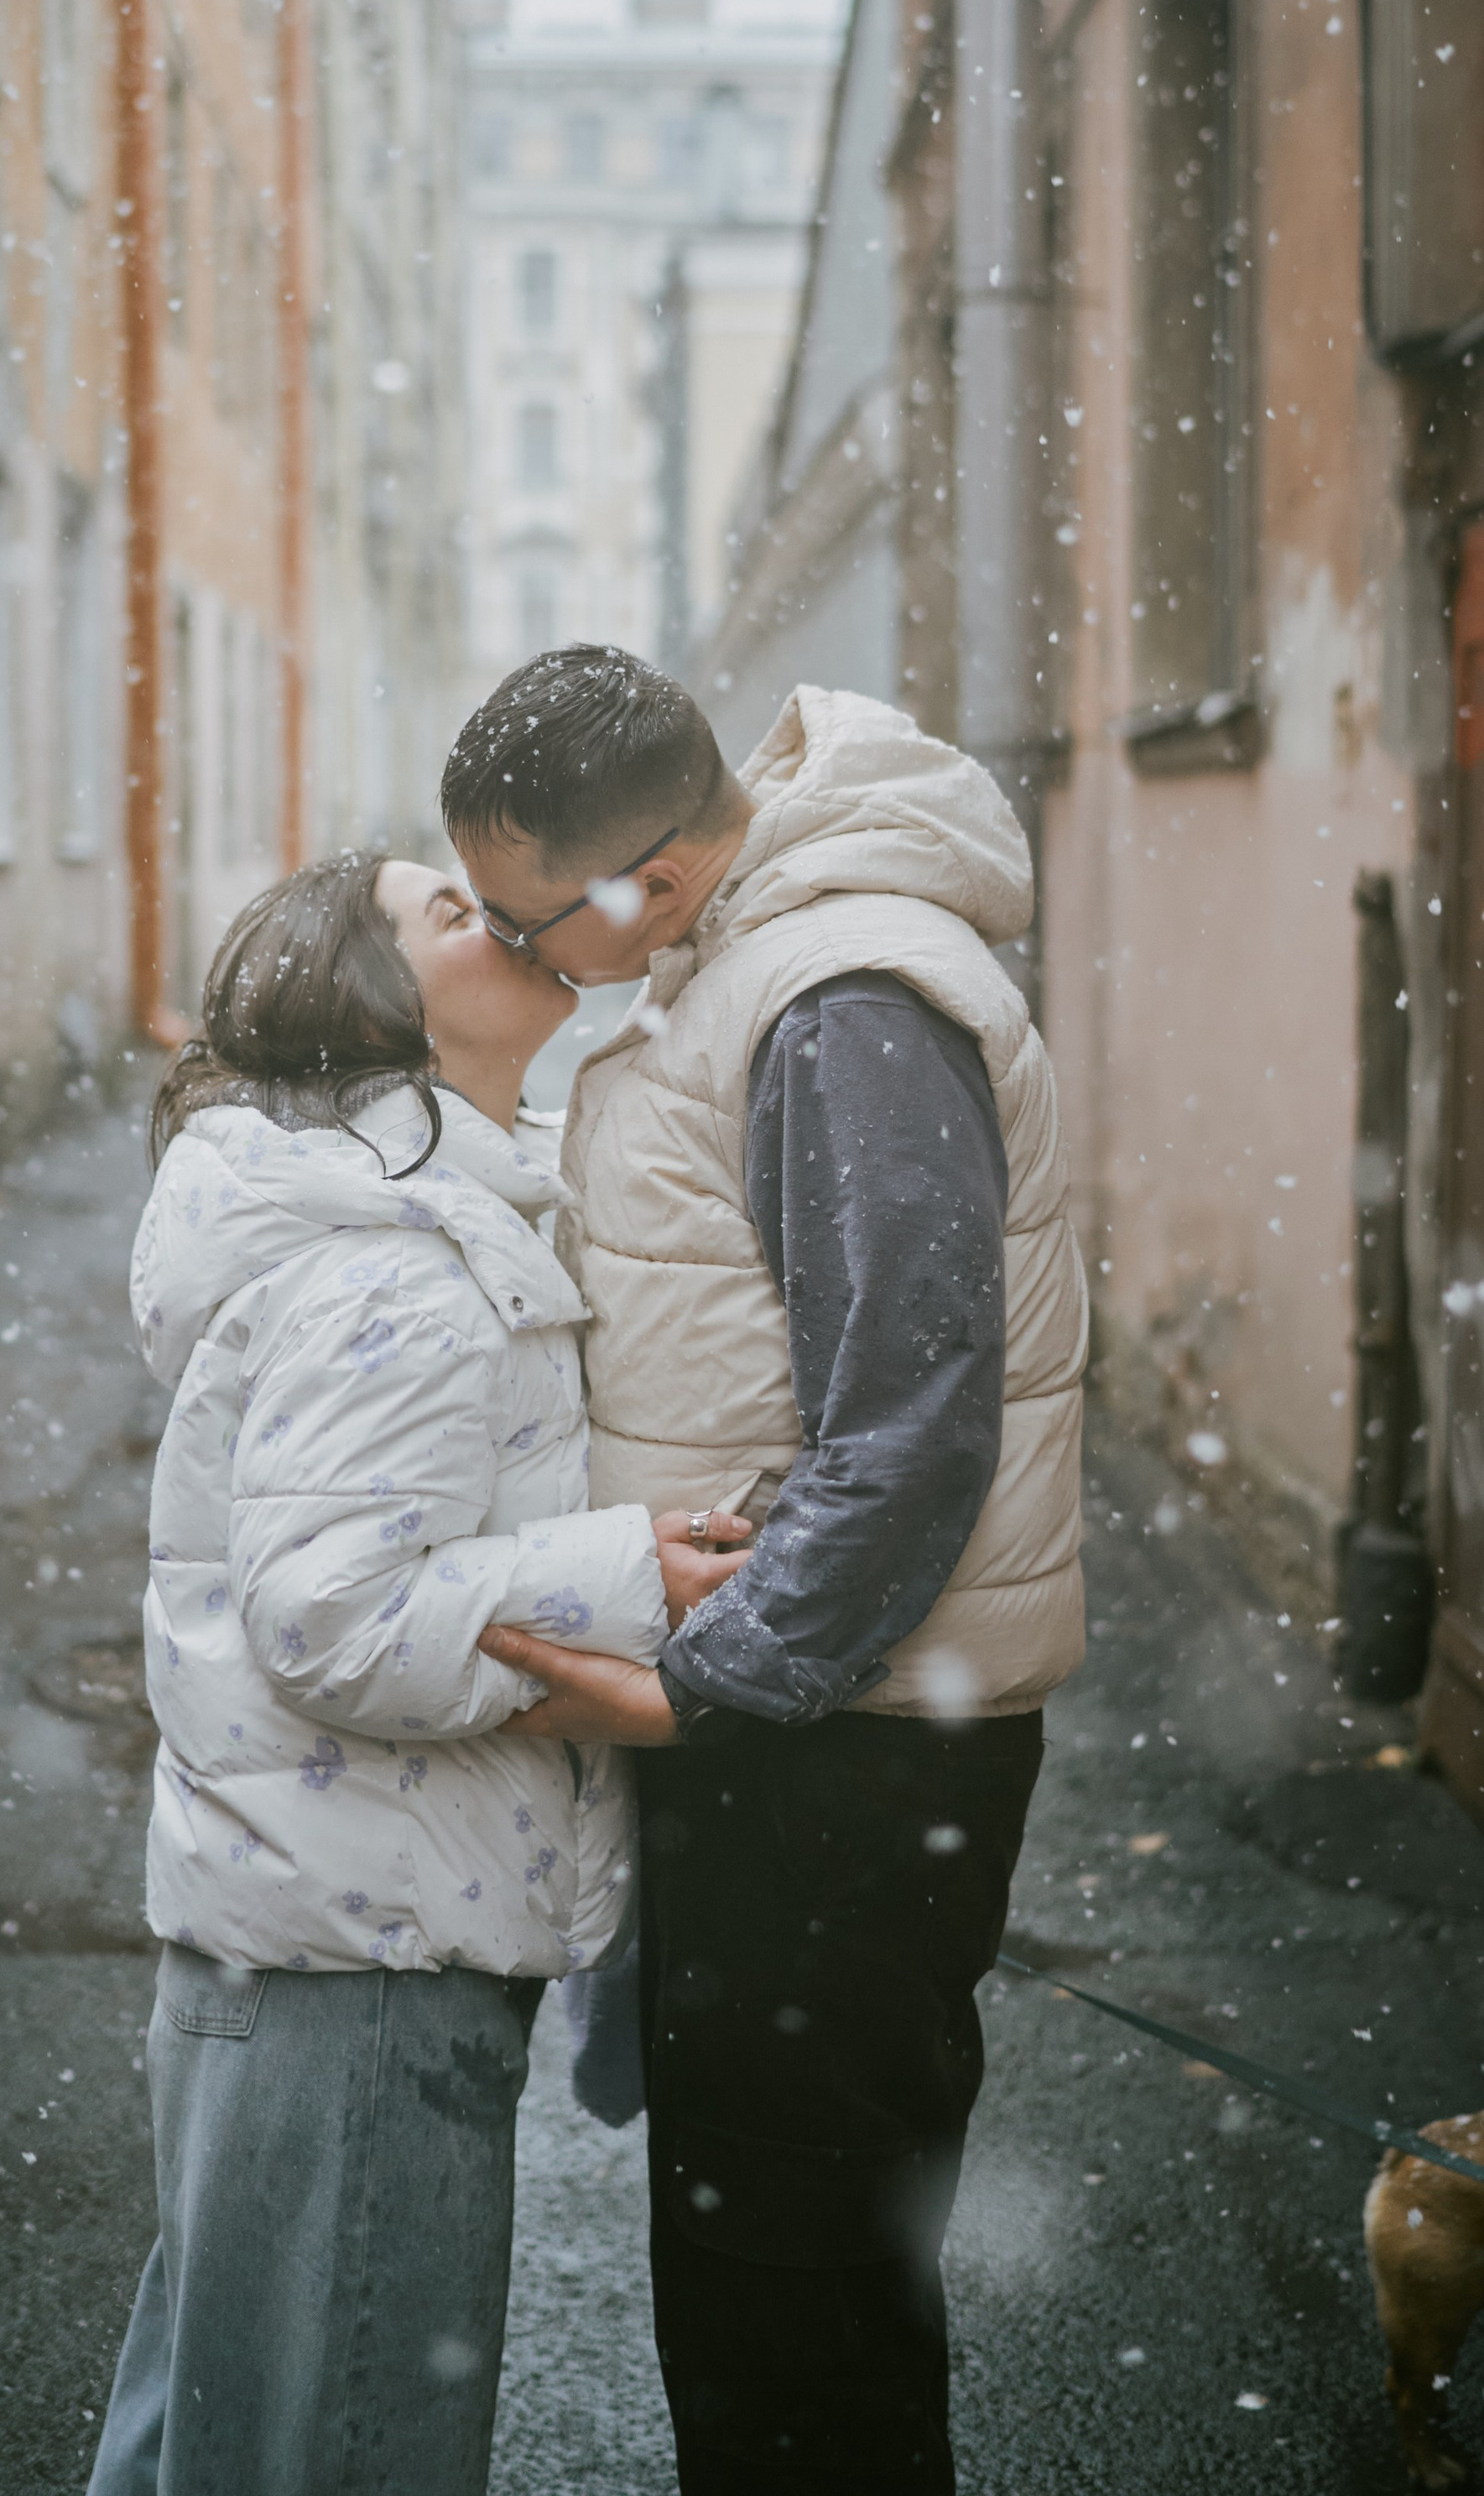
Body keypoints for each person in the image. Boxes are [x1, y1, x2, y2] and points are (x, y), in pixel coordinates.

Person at [441, 650, 1090, 2496]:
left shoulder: (837, 1001)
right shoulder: (758, 963)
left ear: (639, 879)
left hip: (842, 1737)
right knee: (765, 2279)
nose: (517, 955)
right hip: (820, 1715)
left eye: (523, 916)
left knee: (790, 2299)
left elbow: (911, 1415)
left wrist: (713, 1681)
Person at [86, 847, 749, 2496]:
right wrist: (624, 1573)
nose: (503, 912)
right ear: (372, 1007)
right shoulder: (392, 1265)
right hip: (357, 1968)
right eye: (447, 911)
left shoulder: (427, 1216)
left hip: (329, 1940)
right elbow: (329, 1615)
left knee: (226, 2439)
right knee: (335, 2450)